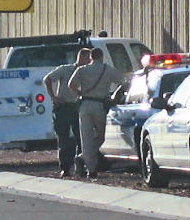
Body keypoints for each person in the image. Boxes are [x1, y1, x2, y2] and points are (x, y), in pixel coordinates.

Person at [68, 47, 128, 179]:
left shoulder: (82, 70)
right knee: (100, 137)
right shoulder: (107, 69)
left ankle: (89, 167)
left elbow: (70, 84)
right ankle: (84, 160)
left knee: (86, 138)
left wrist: (80, 93)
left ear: (90, 57)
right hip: (100, 104)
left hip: (84, 104)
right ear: (101, 57)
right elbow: (124, 81)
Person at [43, 49, 92, 177]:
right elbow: (47, 79)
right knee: (63, 139)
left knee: (81, 138)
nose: (89, 61)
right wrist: (53, 96)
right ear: (81, 58)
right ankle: (65, 167)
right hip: (63, 106)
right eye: (88, 59)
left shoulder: (88, 73)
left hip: (79, 106)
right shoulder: (65, 70)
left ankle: (80, 166)